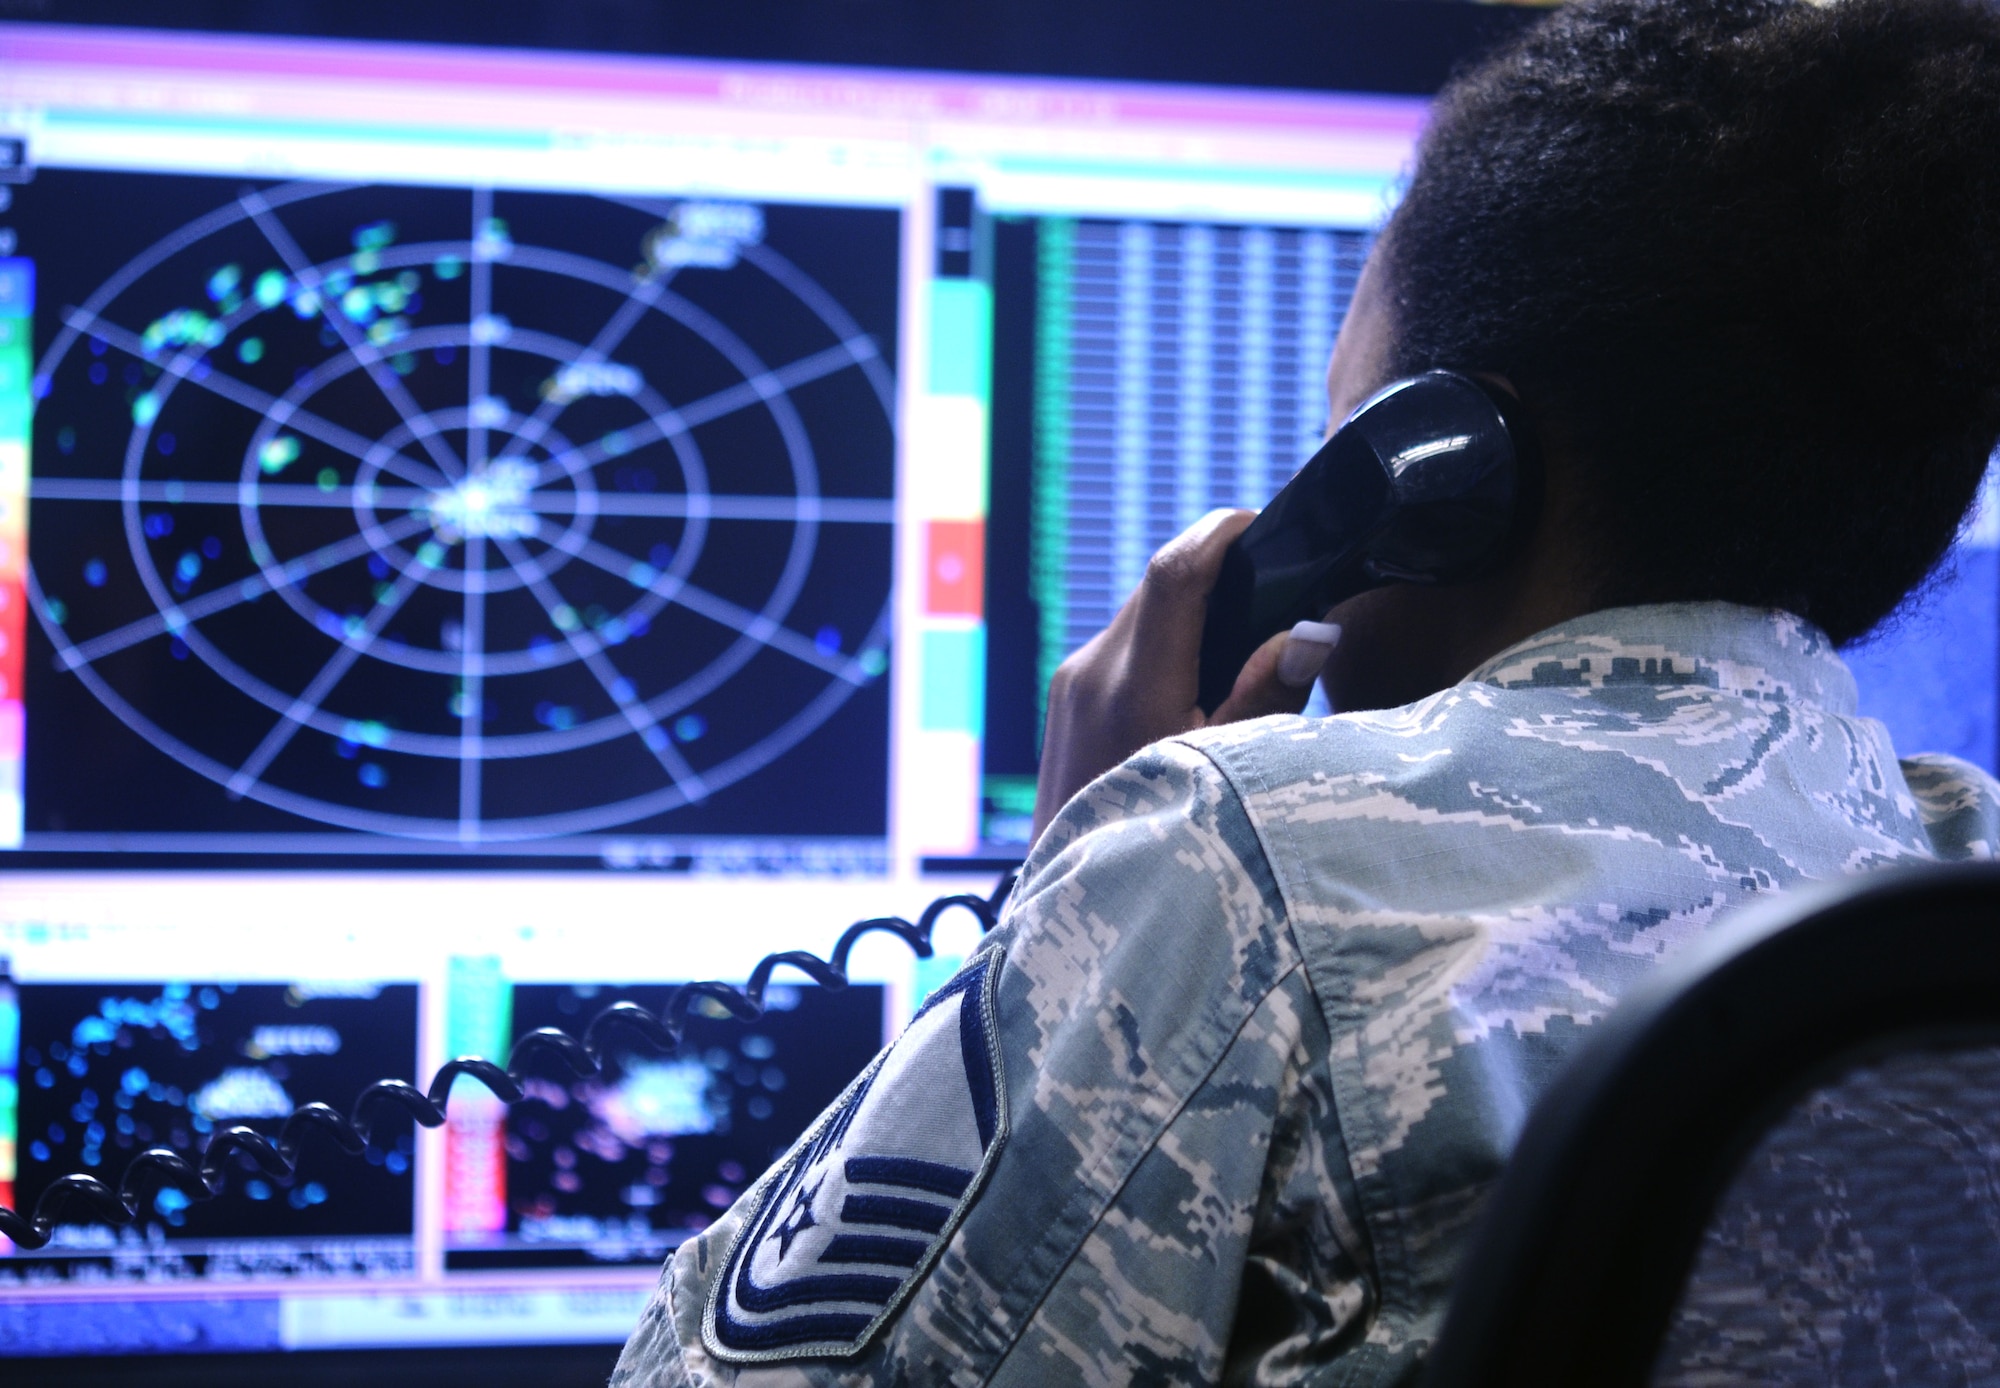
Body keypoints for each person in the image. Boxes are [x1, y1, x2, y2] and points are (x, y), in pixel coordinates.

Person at [614, 0, 2000, 1381]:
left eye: (1338, 423)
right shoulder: (1954, 885)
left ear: (1432, 472)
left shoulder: (1237, 854)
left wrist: (1072, 881)